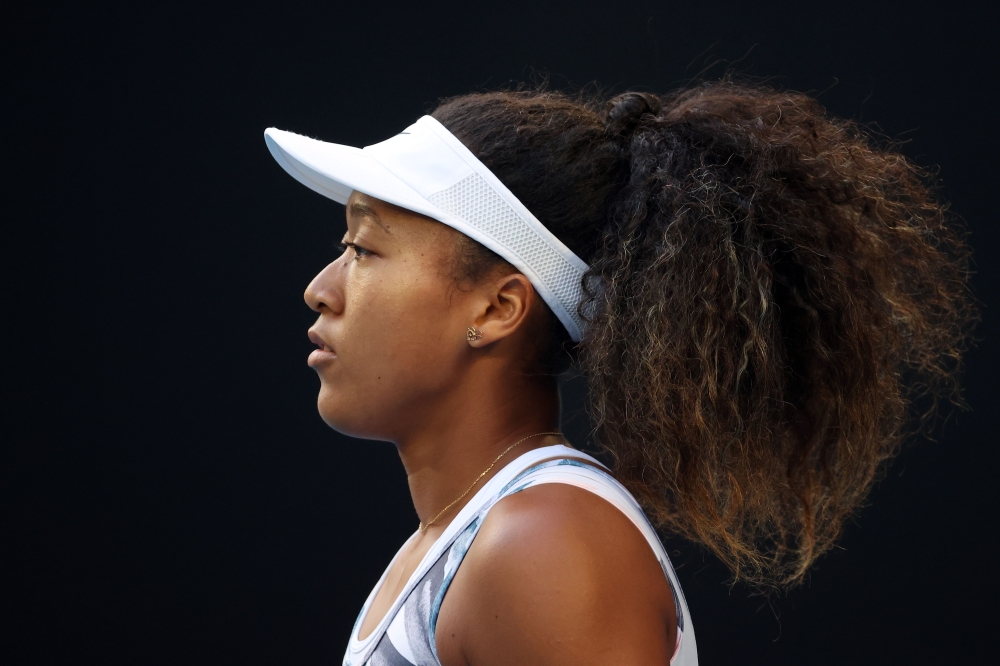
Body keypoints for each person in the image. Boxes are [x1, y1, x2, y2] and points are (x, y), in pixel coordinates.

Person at [263, 81, 974, 666]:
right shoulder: (463, 540)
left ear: (499, 305)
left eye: (363, 248)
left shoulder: (540, 544)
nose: (322, 288)